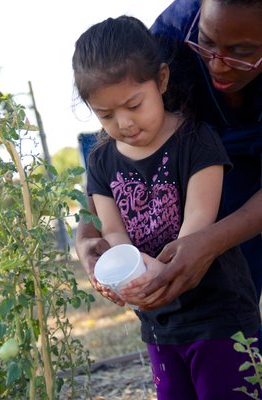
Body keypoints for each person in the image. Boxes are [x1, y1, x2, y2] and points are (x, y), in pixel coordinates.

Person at [72, 15, 261, 399]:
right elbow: (113, 231)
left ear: (160, 80)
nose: (123, 123)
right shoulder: (101, 162)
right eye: (105, 115)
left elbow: (198, 222)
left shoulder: (197, 140)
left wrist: (163, 269)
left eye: (133, 105)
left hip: (219, 315)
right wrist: (120, 273)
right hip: (159, 324)